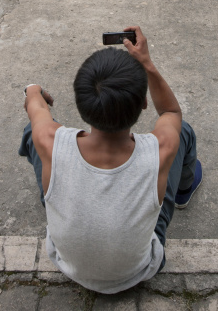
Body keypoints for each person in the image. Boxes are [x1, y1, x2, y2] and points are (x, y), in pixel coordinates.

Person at [18, 25, 202, 295]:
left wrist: (34, 90)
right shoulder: (159, 150)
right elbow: (171, 111)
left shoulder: (51, 139)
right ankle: (185, 189)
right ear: (143, 104)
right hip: (139, 270)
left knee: (33, 132)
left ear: (82, 105)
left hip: (67, 264)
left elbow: (34, 103)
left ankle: (55, 192)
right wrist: (146, 63)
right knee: (182, 131)